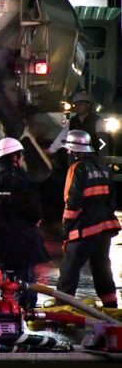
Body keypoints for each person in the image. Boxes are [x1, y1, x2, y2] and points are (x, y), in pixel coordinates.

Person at [0, 137, 51, 309]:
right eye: (21, 155)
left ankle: (9, 312)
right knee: (26, 285)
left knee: (8, 285)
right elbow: (35, 212)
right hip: (23, 243)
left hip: (1, 245)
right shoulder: (21, 179)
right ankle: (25, 313)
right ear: (14, 157)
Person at [56, 129, 121, 308]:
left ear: (76, 151)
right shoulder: (104, 168)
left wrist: (66, 228)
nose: (68, 154)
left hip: (84, 229)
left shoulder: (76, 169)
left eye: (69, 150)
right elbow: (112, 200)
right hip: (104, 228)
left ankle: (61, 307)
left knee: (69, 269)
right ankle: (110, 305)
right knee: (102, 268)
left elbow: (73, 202)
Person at [48, 91, 107, 156]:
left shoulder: (97, 121)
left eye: (80, 104)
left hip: (91, 156)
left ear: (88, 105)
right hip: (74, 155)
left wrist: (101, 156)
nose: (77, 107)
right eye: (76, 104)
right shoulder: (72, 121)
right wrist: (50, 151)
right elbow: (62, 137)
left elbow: (102, 140)